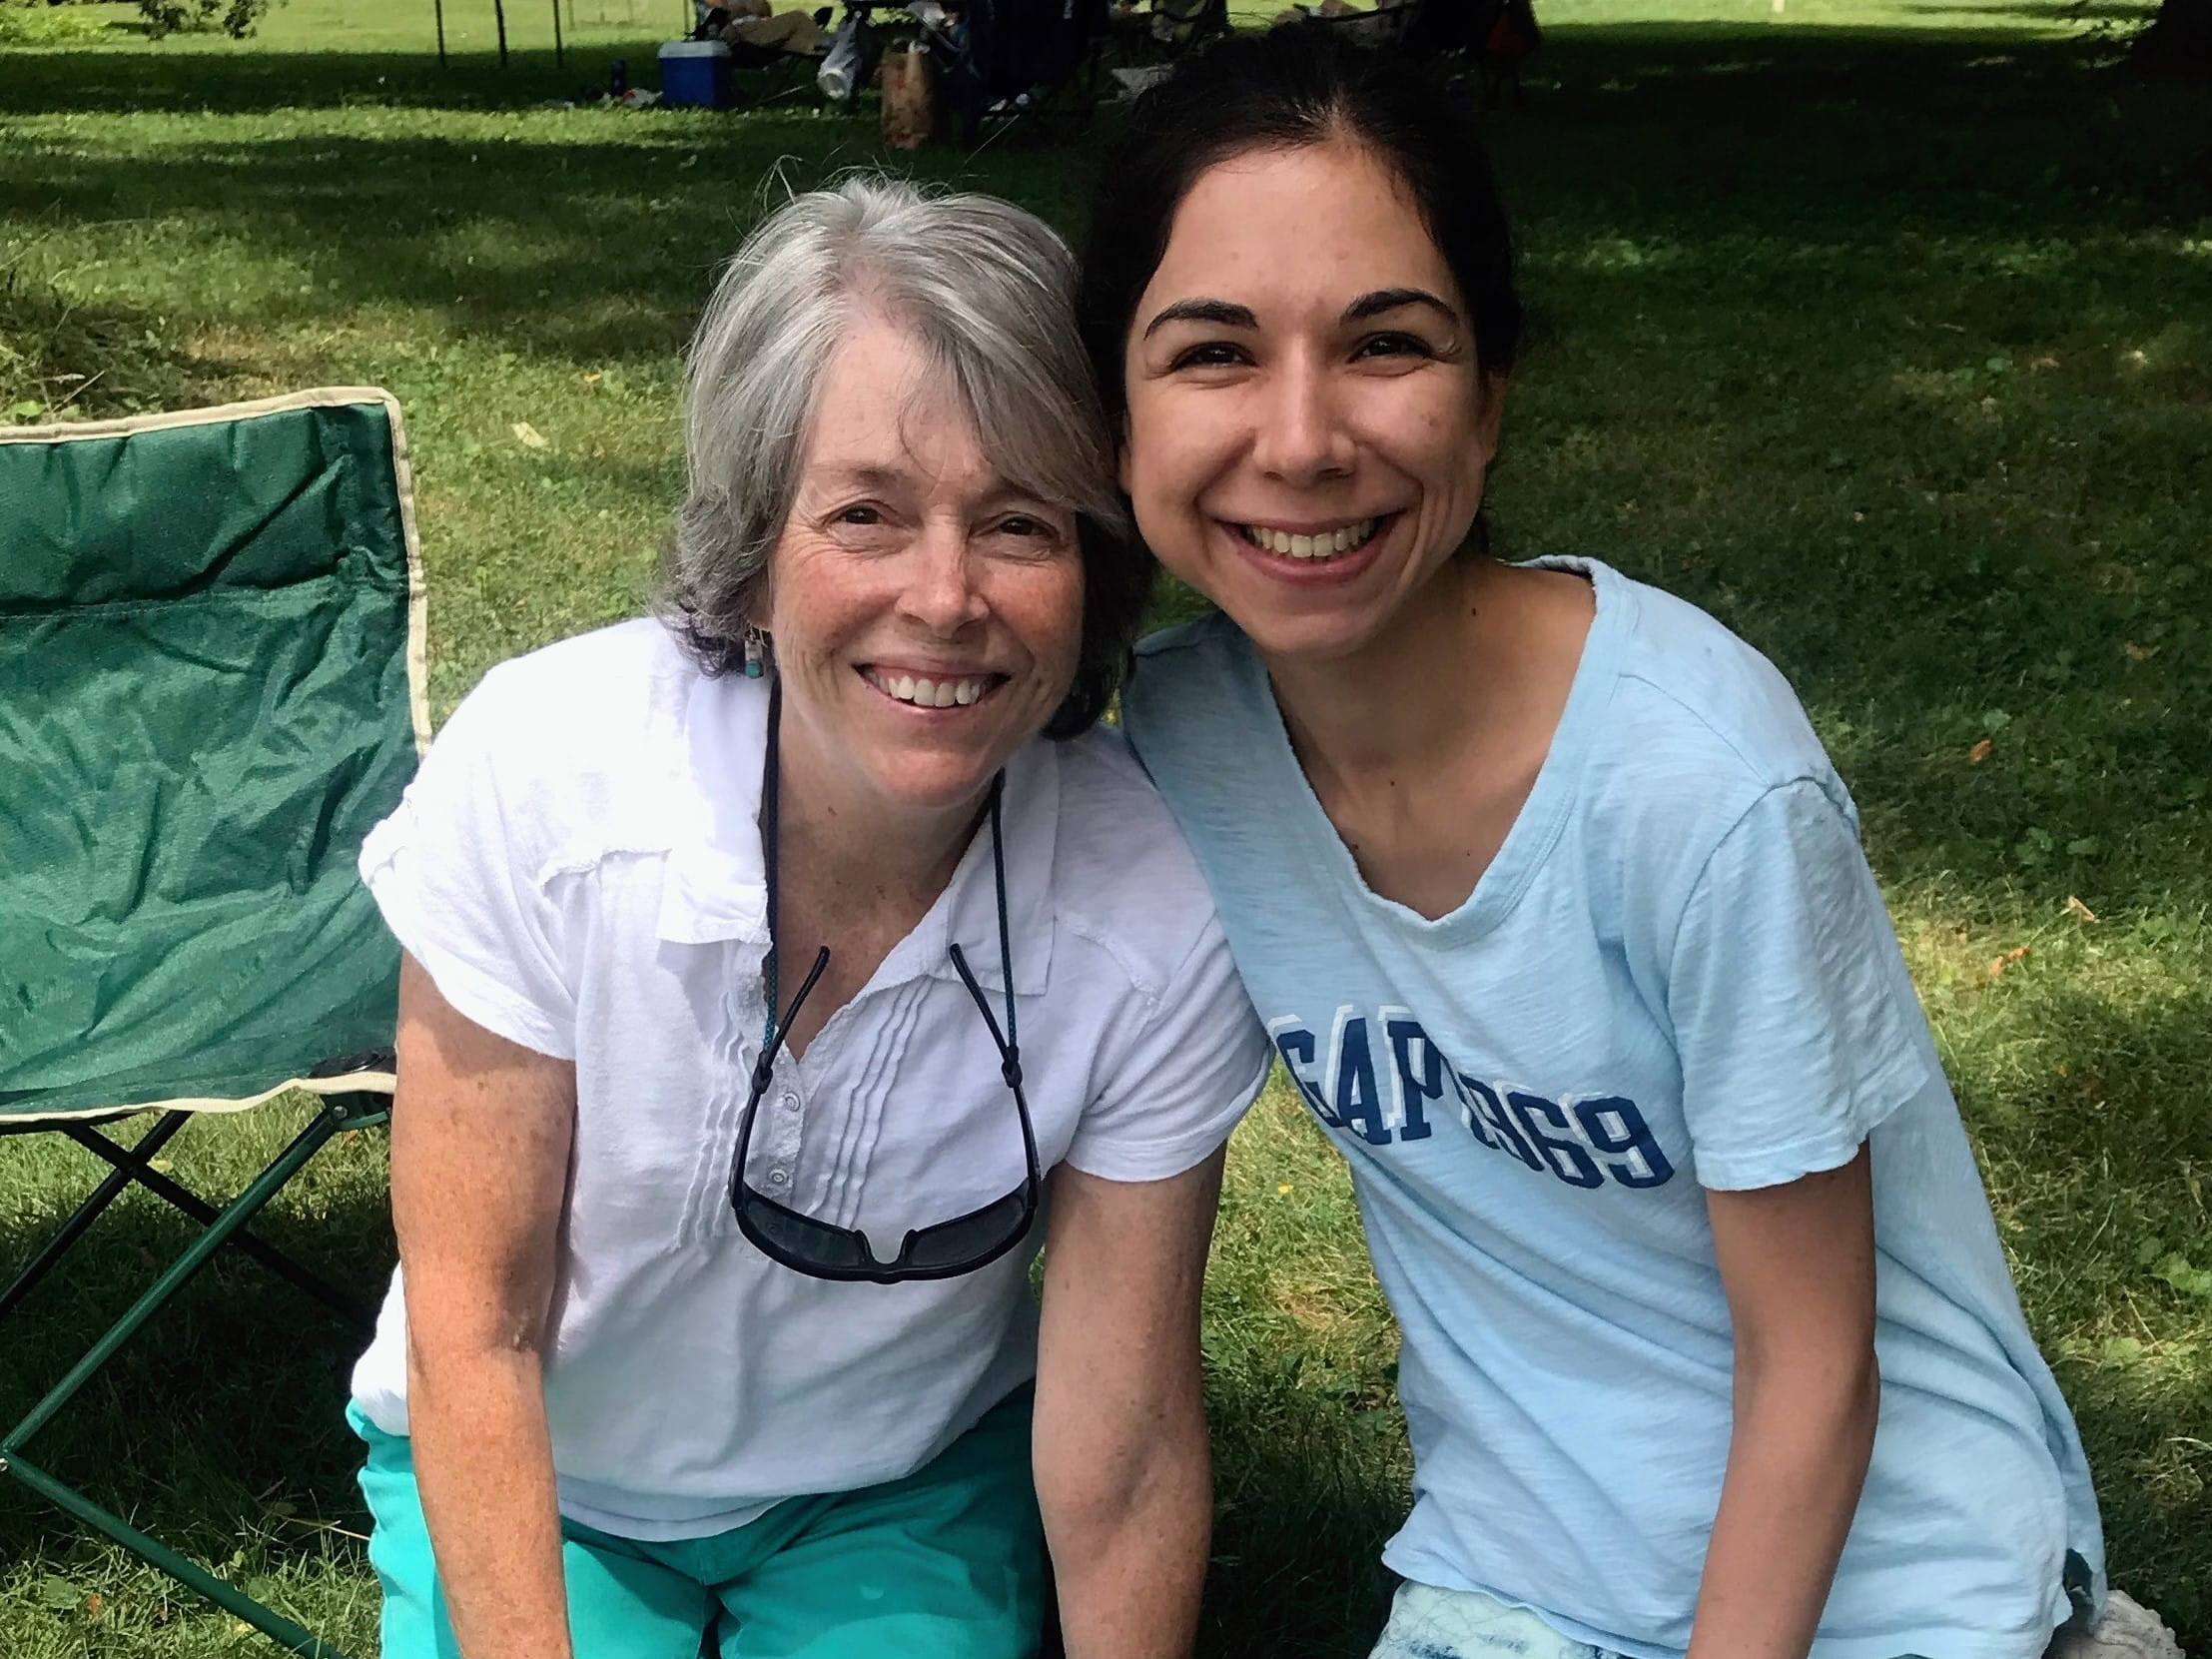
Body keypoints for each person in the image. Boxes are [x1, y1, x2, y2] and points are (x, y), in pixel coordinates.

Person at [1081, 32, 2170, 1659]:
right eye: (1212, 354)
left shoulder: (1696, 784)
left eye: (1387, 343)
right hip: (1517, 1573)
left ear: (1492, 393)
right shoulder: (1178, 745)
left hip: (1885, 1567)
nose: (1301, 440)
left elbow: (1816, 1362)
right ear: (1116, 415)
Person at [348, 177, 1271, 1659]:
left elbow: (1135, 1425)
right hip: (556, 1473)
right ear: (755, 540)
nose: (947, 594)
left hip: (896, 1483)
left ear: (1097, 563)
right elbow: (476, 1329)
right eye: (866, 513)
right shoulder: (548, 777)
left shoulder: (1156, 897)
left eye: (1022, 524)